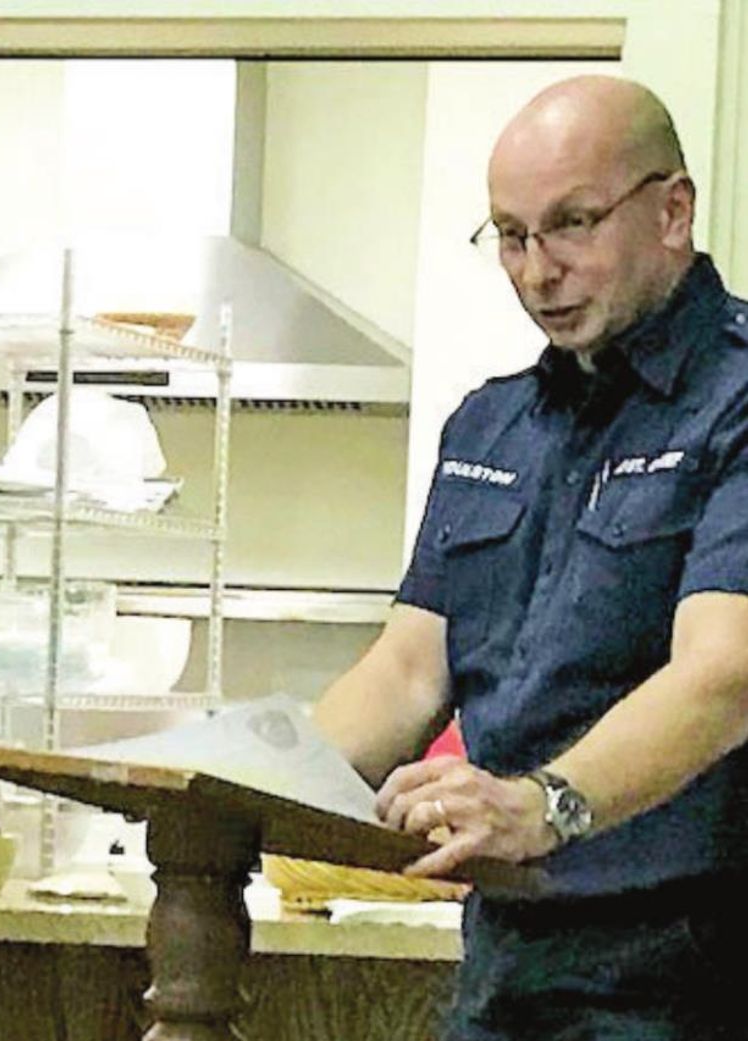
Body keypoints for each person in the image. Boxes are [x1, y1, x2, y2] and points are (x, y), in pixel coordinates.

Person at [314, 75, 748, 1040]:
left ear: (672, 210)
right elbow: (406, 668)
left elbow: (727, 673)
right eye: (510, 235)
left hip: (691, 966)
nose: (537, 268)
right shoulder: (491, 423)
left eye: (572, 224)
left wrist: (545, 804)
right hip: (509, 956)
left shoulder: (737, 398)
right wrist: (257, 777)